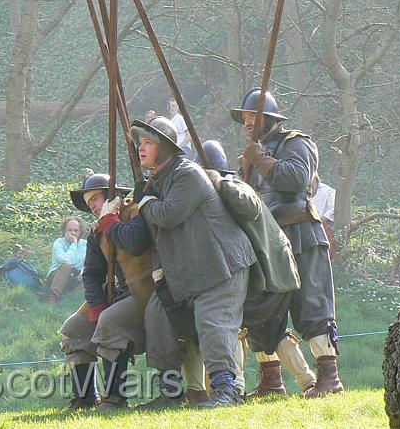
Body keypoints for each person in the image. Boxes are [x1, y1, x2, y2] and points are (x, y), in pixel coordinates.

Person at [130, 116, 257, 407]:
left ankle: (227, 391)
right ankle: (170, 393)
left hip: (222, 266)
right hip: (190, 273)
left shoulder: (187, 174)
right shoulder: (158, 180)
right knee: (156, 315)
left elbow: (168, 215)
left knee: (212, 323)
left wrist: (145, 202)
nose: (141, 148)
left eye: (149, 142)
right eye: (140, 143)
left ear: (166, 148)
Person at [229, 87, 344, 398]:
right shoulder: (250, 155)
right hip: (267, 242)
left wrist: (261, 160)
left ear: (270, 117)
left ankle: (329, 379)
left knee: (311, 305)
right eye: (246, 117)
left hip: (301, 236)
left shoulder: (297, 143)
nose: (248, 121)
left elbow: (294, 179)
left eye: (253, 115)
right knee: (261, 310)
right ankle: (271, 381)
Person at [58, 173, 151, 411]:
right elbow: (91, 274)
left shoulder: (135, 214)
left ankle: (115, 398)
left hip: (143, 291)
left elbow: (136, 244)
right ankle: (87, 397)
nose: (92, 205)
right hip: (117, 294)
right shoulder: (96, 231)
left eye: (95, 198)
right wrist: (97, 304)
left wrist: (112, 220)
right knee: (73, 330)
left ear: (113, 195)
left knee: (110, 322)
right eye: (89, 202)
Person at [47, 216, 87, 304]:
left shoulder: (84, 244)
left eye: (76, 230)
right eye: (70, 230)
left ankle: (69, 298)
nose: (73, 233)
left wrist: (83, 272)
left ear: (80, 232)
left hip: (74, 278)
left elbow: (87, 263)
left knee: (90, 274)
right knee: (67, 266)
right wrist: (74, 243)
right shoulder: (59, 242)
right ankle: (53, 297)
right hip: (56, 277)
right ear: (65, 230)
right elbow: (67, 260)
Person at [311, 175, 338, 260]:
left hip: (323, 227)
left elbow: (334, 208)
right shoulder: (301, 191)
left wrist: (323, 218)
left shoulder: (328, 191)